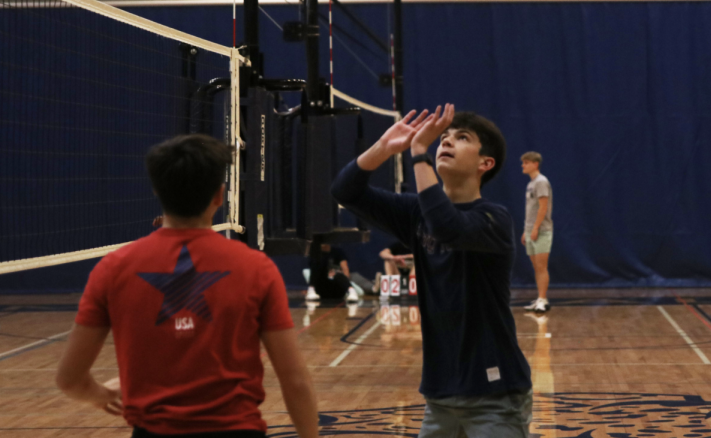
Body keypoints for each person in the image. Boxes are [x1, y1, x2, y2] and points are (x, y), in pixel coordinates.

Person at [56, 134, 319, 438]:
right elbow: (295, 381)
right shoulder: (257, 268)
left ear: (157, 190)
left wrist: (103, 394)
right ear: (220, 196)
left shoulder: (113, 268)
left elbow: (70, 380)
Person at [332, 104, 533, 437]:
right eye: (445, 137)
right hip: (439, 396)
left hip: (495, 394)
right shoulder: (416, 212)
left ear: (485, 163)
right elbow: (344, 192)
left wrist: (419, 154)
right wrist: (383, 148)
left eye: (462, 138)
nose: (447, 142)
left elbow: (446, 225)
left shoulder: (495, 219)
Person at [520, 151, 553, 314]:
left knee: (541, 267)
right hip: (531, 230)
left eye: (526, 162)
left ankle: (543, 299)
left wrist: (535, 228)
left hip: (541, 231)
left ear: (535, 164)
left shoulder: (541, 182)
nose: (523, 165)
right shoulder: (531, 183)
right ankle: (540, 298)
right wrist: (526, 230)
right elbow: (530, 209)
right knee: (536, 267)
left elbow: (543, 207)